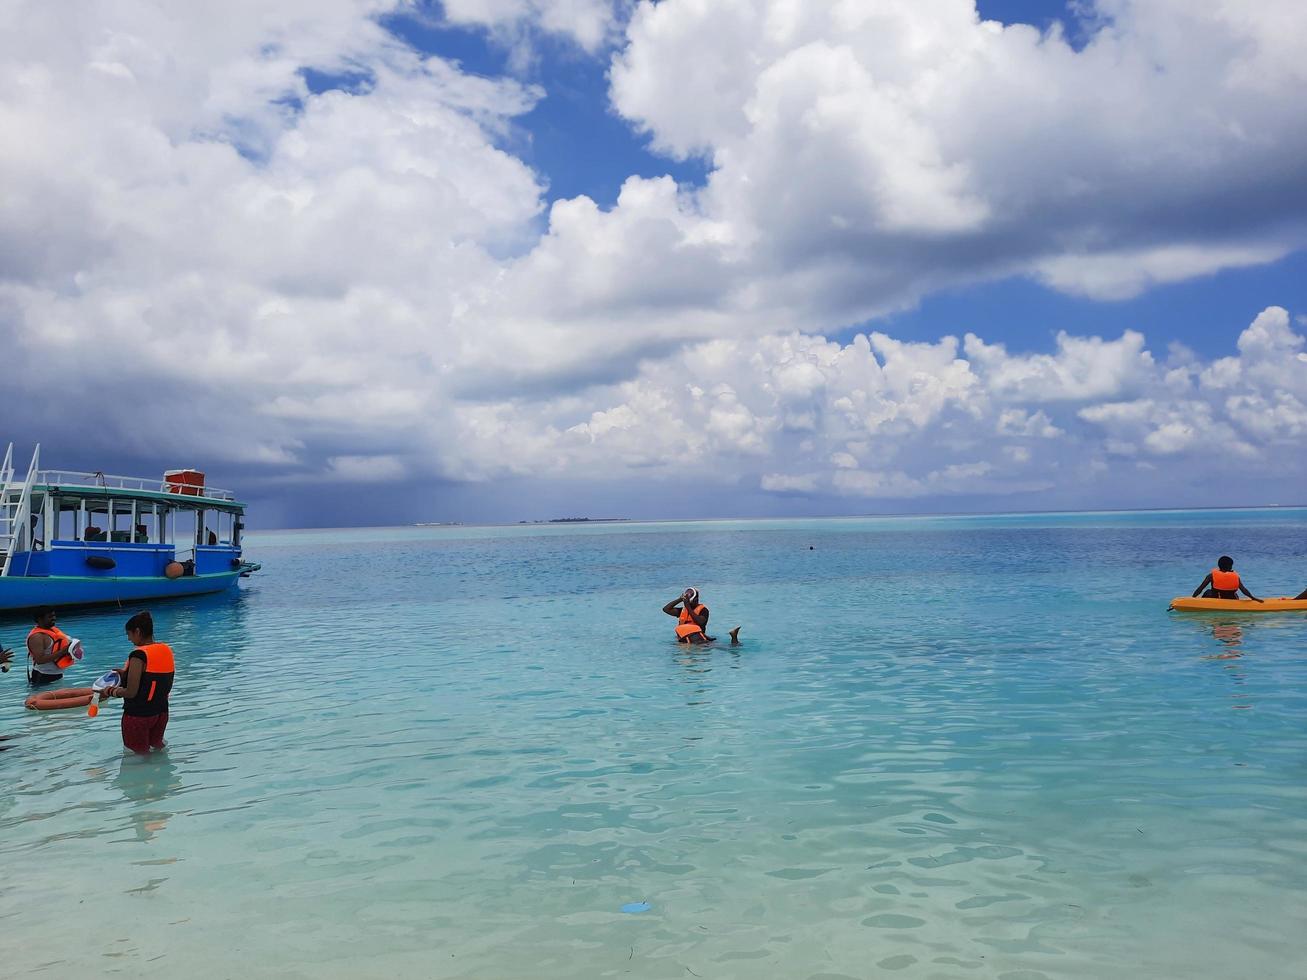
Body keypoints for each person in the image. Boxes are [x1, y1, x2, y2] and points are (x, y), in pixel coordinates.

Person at [100, 610, 174, 756]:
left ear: (137, 632)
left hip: (138, 716)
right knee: (158, 749)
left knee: (135, 757)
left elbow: (131, 692)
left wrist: (109, 691)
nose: (129, 639)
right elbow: (154, 677)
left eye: (129, 634)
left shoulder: (138, 655)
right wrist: (125, 674)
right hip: (161, 713)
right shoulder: (166, 650)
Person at [662, 588, 741, 645]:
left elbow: (700, 622)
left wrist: (688, 607)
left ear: (696, 600)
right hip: (684, 639)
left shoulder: (704, 610)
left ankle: (734, 637)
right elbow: (666, 609)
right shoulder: (682, 611)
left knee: (725, 649)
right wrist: (679, 599)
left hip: (699, 639)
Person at [26, 606, 75, 686]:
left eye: (54, 615)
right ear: (40, 619)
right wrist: (62, 651)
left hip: (57, 674)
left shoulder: (52, 630)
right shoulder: (37, 637)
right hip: (43, 676)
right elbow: (39, 660)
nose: (54, 618)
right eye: (50, 617)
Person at [1192, 556, 1263, 602]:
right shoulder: (1235, 576)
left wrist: (1193, 598)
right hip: (1232, 599)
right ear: (1230, 566)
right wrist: (1253, 598)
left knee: (1207, 591)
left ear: (1219, 565)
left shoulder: (1211, 576)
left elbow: (1200, 589)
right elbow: (1244, 590)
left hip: (1217, 599)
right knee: (1236, 594)